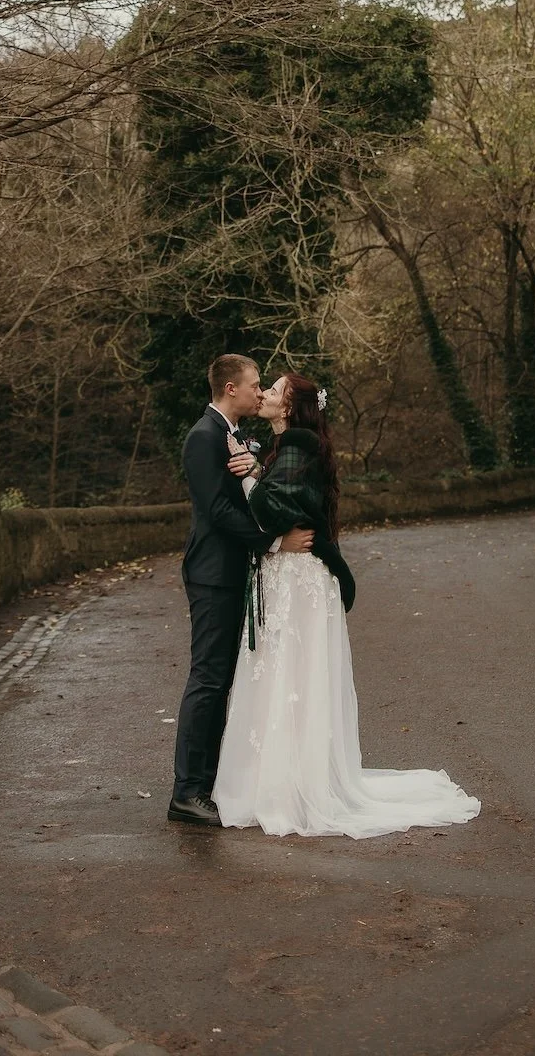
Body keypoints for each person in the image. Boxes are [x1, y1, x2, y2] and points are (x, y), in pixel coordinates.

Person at [213, 371, 481, 838]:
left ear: (291, 407)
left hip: (300, 581)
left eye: (273, 390)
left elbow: (276, 510)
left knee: (293, 676)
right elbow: (281, 512)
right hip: (288, 577)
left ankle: (293, 787)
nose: (264, 394)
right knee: (282, 674)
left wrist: (252, 477)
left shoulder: (298, 446)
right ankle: (279, 782)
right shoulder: (284, 446)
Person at [168, 354, 313, 827]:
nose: (259, 392)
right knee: (208, 679)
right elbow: (217, 512)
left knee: (223, 679)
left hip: (234, 573)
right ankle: (186, 793)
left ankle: (205, 785)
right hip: (212, 574)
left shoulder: (234, 436)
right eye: (254, 385)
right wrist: (276, 542)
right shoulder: (203, 438)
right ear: (231, 389)